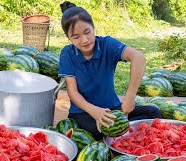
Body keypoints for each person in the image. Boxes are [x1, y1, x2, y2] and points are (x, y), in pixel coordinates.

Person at [59, 1, 161, 140]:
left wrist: (129, 99)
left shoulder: (107, 44)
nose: (84, 40)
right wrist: (94, 111)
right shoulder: (67, 54)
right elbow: (73, 92)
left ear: (93, 27)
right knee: (95, 130)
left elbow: (139, 58)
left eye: (87, 32)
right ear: (68, 38)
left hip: (113, 110)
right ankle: (122, 131)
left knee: (153, 112)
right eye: (76, 37)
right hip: (84, 113)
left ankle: (119, 131)